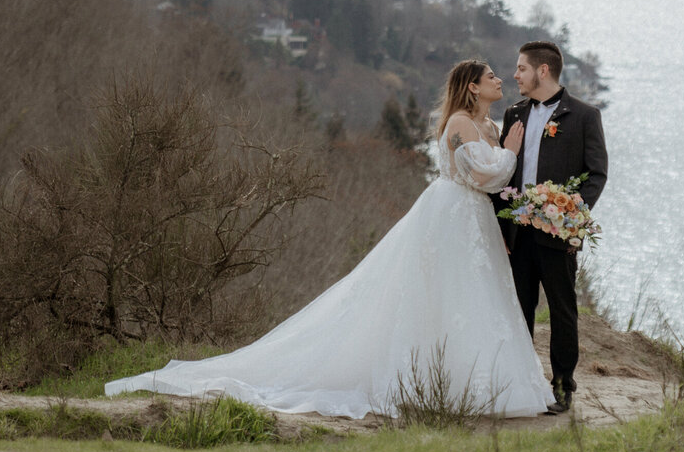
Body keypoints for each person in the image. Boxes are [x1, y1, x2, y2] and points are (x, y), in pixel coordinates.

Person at [103, 60, 555, 419]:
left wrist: (506, 158)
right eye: (492, 75)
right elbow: (482, 175)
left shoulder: (494, 127)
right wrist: (511, 153)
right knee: (434, 294)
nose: (500, 80)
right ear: (473, 87)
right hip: (450, 213)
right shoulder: (459, 124)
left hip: (476, 223)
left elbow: (495, 184)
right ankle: (430, 382)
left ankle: (477, 380)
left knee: (475, 298)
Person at [498, 40, 608, 414]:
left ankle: (563, 387)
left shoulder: (584, 116)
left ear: (542, 71)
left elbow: (597, 174)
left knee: (563, 311)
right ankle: (519, 383)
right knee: (518, 310)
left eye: (521, 69)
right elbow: (503, 171)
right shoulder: (514, 114)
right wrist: (501, 227)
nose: (515, 75)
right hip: (517, 232)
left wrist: (572, 218)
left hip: (558, 232)